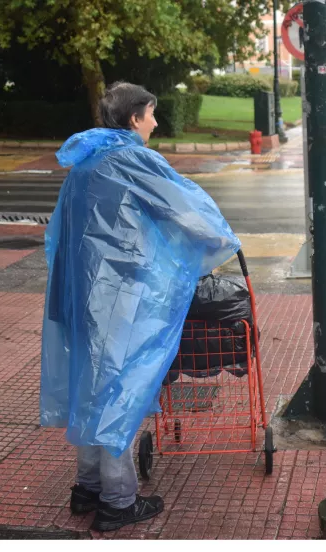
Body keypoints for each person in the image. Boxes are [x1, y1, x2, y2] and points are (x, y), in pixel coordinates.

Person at [40, 82, 241, 531]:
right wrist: (221, 239)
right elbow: (185, 208)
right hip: (119, 298)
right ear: (134, 118)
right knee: (118, 393)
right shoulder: (132, 159)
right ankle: (117, 501)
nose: (154, 122)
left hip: (79, 295)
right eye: (151, 114)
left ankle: (86, 487)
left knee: (92, 389)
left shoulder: (86, 162)